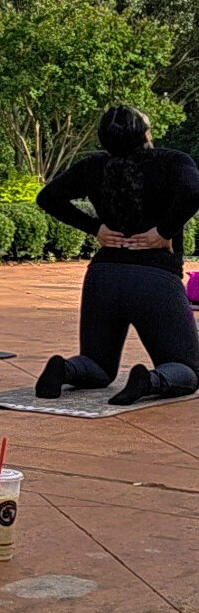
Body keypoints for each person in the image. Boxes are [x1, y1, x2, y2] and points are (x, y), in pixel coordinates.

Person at [34, 105, 199, 405]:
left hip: (103, 277)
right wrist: (164, 231)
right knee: (188, 369)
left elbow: (47, 197)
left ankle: (67, 368)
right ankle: (150, 379)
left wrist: (95, 228)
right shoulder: (173, 161)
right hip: (155, 280)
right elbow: (193, 190)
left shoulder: (93, 165)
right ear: (147, 134)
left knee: (98, 366)